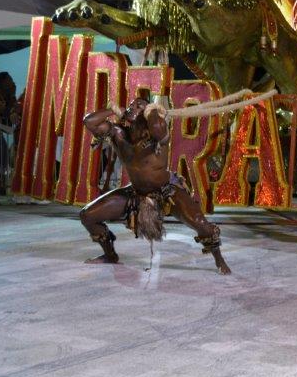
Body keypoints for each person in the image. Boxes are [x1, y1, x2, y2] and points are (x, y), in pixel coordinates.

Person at [80, 98, 231, 274]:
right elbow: (89, 122)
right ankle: (110, 255)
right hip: (135, 193)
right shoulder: (118, 134)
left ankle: (219, 260)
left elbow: (158, 129)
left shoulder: (156, 135)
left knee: (201, 224)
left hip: (166, 191)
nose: (132, 107)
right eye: (131, 105)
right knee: (87, 215)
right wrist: (113, 109)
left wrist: (152, 109)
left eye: (139, 106)